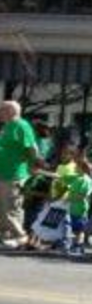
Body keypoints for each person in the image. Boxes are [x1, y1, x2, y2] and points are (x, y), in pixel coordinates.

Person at [0, 101, 42, 248]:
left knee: (11, 207)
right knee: (3, 207)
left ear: (11, 111)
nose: (0, 112)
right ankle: (7, 236)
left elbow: (33, 148)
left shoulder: (21, 125)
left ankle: (21, 236)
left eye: (2, 109)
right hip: (4, 173)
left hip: (15, 173)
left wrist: (33, 166)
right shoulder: (7, 126)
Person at [63, 157, 92, 256]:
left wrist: (69, 199)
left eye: (77, 166)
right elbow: (61, 177)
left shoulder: (85, 180)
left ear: (82, 168)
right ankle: (75, 245)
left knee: (80, 230)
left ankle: (79, 247)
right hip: (72, 208)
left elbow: (82, 195)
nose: (75, 167)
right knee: (74, 229)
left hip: (80, 208)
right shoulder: (77, 178)